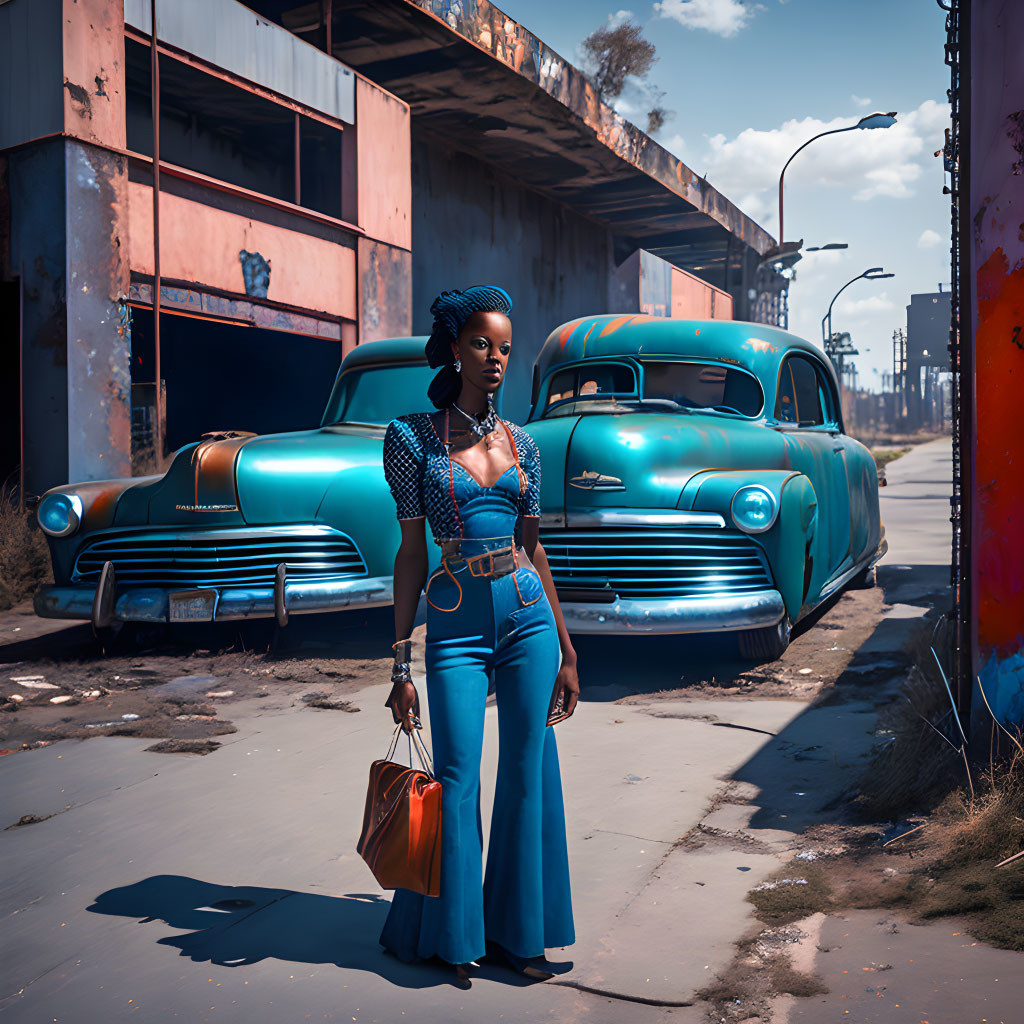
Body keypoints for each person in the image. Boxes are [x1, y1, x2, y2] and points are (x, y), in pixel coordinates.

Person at [379, 285, 579, 989]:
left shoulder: (524, 441)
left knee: (528, 772)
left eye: (503, 347)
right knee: (458, 774)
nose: (494, 358)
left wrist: (567, 644)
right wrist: (401, 663)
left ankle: (521, 937)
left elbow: (536, 547)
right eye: (480, 345)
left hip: (527, 614)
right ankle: (454, 933)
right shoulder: (410, 438)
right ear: (454, 348)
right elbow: (409, 555)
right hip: (456, 620)